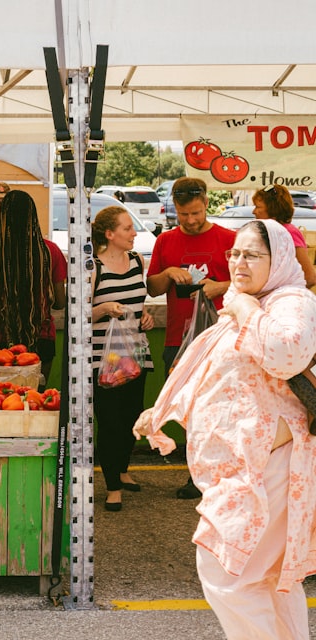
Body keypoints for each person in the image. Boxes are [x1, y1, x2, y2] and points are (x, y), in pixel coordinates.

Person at [134, 219, 316, 639]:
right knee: (266, 580)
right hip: (249, 468)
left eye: (252, 255)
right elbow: (206, 363)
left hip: (267, 466)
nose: (239, 262)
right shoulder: (244, 300)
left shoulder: (290, 301)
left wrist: (246, 309)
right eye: (235, 253)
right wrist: (160, 410)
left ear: (280, 260)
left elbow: (285, 355)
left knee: (227, 572)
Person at [146, 177, 235, 499]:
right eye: (184, 215)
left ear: (207, 202)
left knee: (223, 409)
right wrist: (168, 274)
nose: (191, 221)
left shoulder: (229, 238)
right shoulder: (165, 241)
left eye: (196, 213)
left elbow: (254, 283)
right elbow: (152, 288)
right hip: (178, 339)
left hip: (223, 337)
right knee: (188, 410)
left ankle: (225, 473)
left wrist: (220, 286)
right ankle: (195, 473)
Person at [90, 205, 154, 512]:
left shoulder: (137, 261)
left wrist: (146, 317)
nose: (134, 233)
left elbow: (139, 303)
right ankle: (112, 486)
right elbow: (77, 316)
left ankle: (123, 469)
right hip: (103, 361)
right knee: (111, 421)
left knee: (132, 417)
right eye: (128, 228)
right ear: (109, 234)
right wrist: (104, 309)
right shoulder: (93, 268)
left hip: (135, 354)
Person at [0, 190, 66, 386]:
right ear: (33, 216)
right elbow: (60, 303)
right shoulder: (50, 251)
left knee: (8, 402)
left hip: (4, 342)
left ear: (3, 217)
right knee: (37, 398)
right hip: (42, 339)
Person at [253, 183, 316, 287]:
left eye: (258, 207)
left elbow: (309, 278)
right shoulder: (267, 232)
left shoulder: (289, 232)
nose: (254, 211)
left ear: (272, 208)